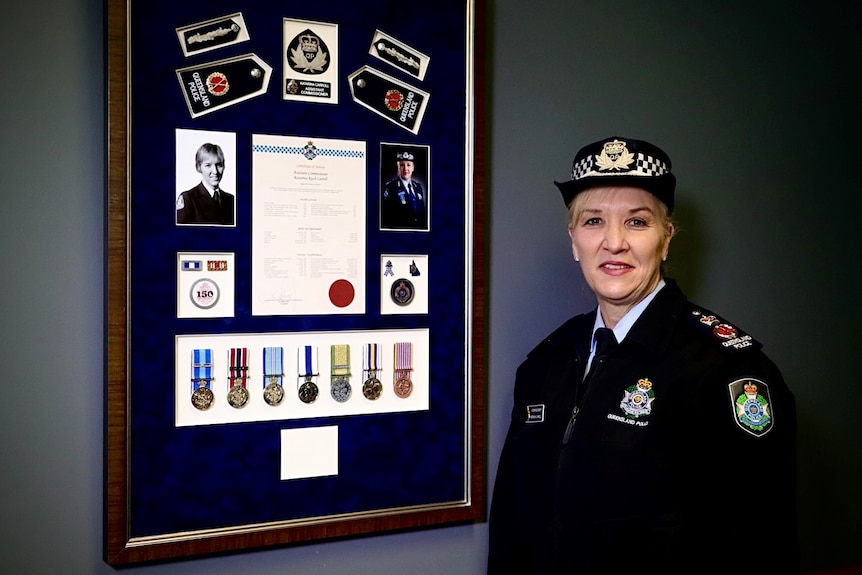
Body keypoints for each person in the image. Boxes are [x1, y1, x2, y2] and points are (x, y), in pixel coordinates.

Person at [487, 136, 798, 573]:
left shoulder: (725, 369)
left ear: (666, 239)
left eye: (637, 223)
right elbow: (511, 530)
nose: (614, 243)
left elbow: (762, 544)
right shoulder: (545, 365)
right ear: (574, 239)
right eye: (593, 221)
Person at [176, 143, 235, 225]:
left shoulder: (231, 200)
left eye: (219, 165)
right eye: (208, 165)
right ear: (199, 167)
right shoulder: (188, 199)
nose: (215, 171)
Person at [381, 150, 428, 230]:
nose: (405, 168)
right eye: (402, 165)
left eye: (408, 165)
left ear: (413, 167)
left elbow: (422, 214)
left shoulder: (418, 187)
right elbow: (387, 218)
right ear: (398, 167)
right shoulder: (390, 188)